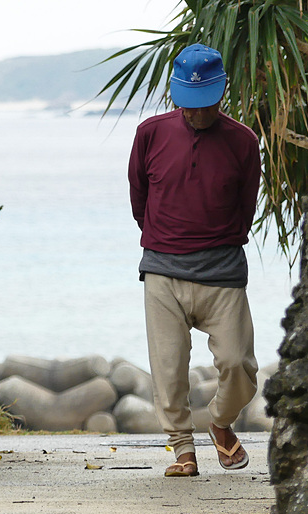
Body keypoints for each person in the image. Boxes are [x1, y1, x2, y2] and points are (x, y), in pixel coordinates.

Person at [127, 44, 260, 477]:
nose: (196, 113)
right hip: (163, 269)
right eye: (188, 104)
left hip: (222, 271)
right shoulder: (150, 133)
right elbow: (139, 199)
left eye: (205, 105)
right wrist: (166, 238)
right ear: (174, 94)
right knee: (168, 370)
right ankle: (183, 450)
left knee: (239, 363)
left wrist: (214, 238)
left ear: (222, 94)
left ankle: (220, 423)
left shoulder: (243, 142)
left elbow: (246, 207)